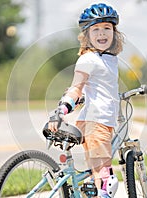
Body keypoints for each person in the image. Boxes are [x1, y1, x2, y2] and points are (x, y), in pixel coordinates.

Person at [48, 3, 124, 198]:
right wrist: (62, 110)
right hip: (96, 124)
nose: (102, 33)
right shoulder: (88, 59)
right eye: (95, 29)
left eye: (107, 28)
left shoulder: (108, 58)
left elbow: (95, 89)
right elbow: (76, 88)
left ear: (114, 32)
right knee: (107, 181)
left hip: (100, 122)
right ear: (87, 35)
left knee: (95, 176)